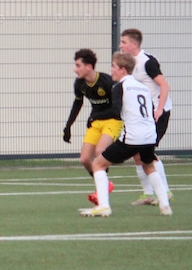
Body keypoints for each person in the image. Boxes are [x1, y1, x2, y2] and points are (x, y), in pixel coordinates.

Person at [83, 52, 171, 217]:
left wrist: (96, 116)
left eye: (114, 67)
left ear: (123, 70)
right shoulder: (143, 87)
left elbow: (116, 111)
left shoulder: (119, 87)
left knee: (98, 164)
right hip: (149, 135)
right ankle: (165, 205)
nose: (111, 70)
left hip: (132, 136)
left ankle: (103, 206)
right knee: (149, 166)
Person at [119, 28, 173, 207]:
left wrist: (159, 109)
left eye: (124, 42)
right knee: (137, 153)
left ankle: (165, 192)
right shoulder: (128, 64)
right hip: (144, 115)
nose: (121, 45)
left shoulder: (147, 62)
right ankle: (148, 193)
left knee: (146, 152)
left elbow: (164, 85)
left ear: (134, 44)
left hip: (158, 114)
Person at [62, 48, 122, 205]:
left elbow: (117, 109)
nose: (75, 69)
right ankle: (105, 184)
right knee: (85, 159)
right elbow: (77, 103)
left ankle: (101, 192)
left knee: (100, 151)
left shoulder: (107, 82)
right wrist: (68, 126)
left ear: (88, 67)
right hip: (95, 123)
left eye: (78, 65)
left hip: (113, 121)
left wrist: (96, 116)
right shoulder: (79, 83)